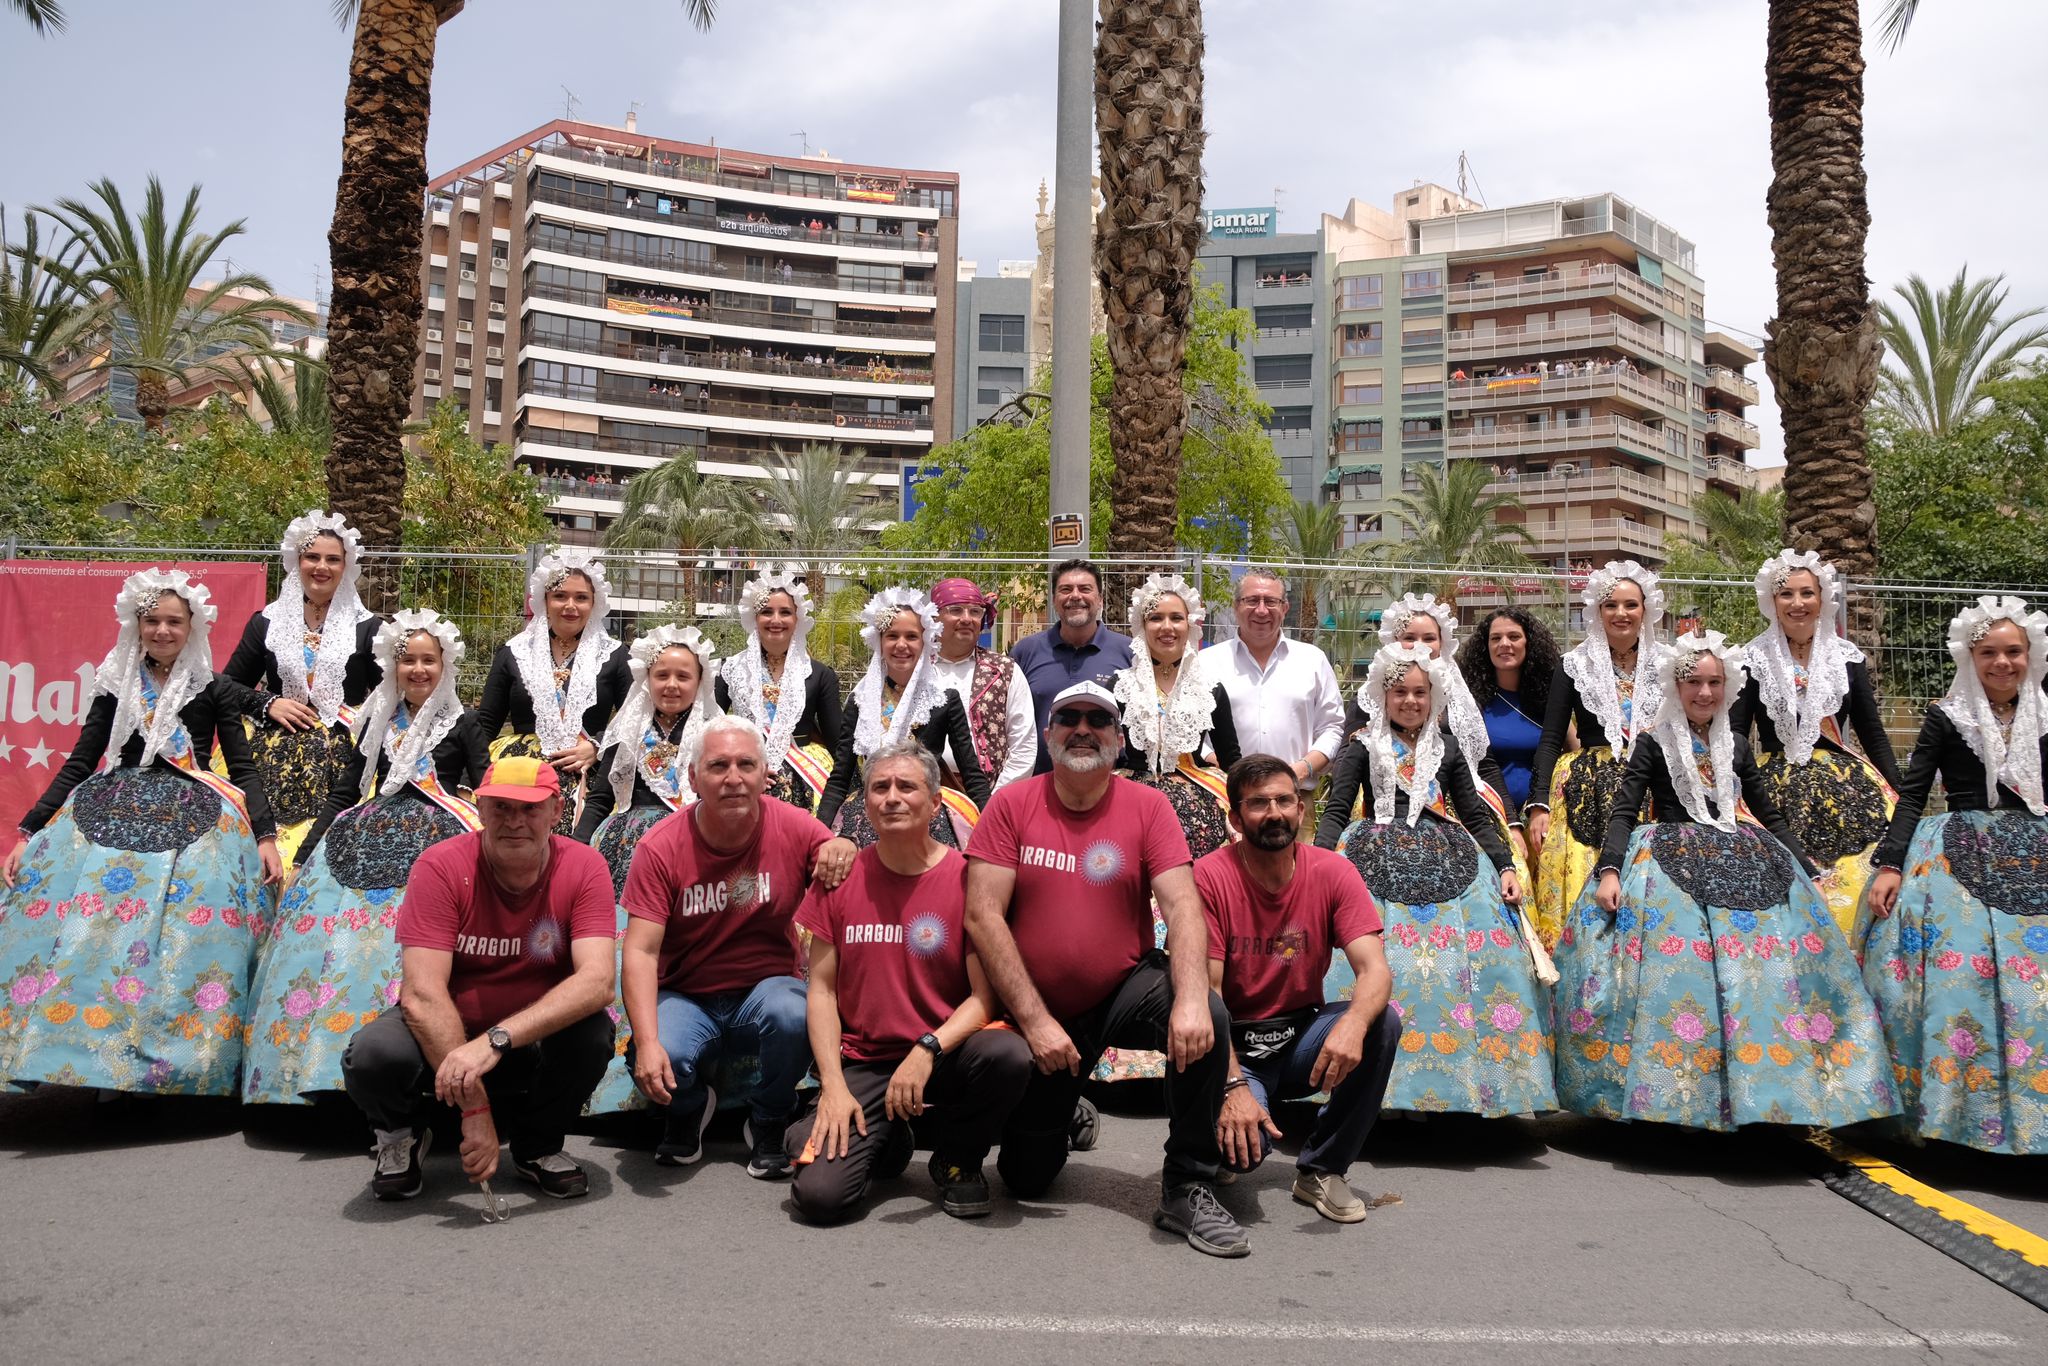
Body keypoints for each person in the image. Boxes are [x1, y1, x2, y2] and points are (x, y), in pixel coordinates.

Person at [1558, 632, 1895, 1130]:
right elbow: (1625, 812)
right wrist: (1609, 871)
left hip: (1741, 853)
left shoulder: (1736, 744)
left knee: (1762, 977)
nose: (1705, 693)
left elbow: (1767, 813)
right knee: (1680, 973)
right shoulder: (1652, 741)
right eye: (1694, 682)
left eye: (1715, 682)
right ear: (1676, 686)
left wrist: (1805, 868)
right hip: (1665, 859)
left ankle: (1771, 1086)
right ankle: (1676, 1093)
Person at [964, 681, 1243, 1258]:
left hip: (1124, 986)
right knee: (1025, 1179)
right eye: (1069, 718)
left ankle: (1186, 1184)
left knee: (1207, 1013)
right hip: (1041, 1007)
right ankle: (1069, 1110)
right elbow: (982, 915)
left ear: (1119, 740)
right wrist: (1035, 1022)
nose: (1083, 729)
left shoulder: (1148, 806)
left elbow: (1183, 905)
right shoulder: (1011, 803)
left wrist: (1190, 999)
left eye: (1099, 720)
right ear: (1049, 733)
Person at [1, 569, 281, 1095]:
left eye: (173, 621)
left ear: (192, 626)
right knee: (84, 923)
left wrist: (265, 837)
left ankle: (152, 1063)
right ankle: (71, 1051)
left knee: (183, 933)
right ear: (137, 623)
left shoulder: (214, 688)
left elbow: (241, 767)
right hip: (109, 803)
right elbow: (81, 761)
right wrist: (27, 832)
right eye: (152, 620)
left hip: (196, 812)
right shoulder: (115, 683)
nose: (162, 631)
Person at [340, 757, 616, 1200]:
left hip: (524, 1036)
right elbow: (422, 994)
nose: (514, 822)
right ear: (479, 808)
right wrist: (476, 1109)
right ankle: (399, 1136)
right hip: (448, 1027)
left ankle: (538, 1145)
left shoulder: (584, 867)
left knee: (593, 1032)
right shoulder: (440, 866)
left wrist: (495, 1040)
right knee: (374, 1054)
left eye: (529, 809)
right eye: (501, 808)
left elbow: (598, 981)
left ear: (556, 812)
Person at [243, 610, 486, 1105]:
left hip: (444, 840)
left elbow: (485, 785)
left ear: (446, 666)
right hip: (365, 831)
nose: (418, 670)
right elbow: (345, 790)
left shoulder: (465, 722)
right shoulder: (374, 719)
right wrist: (307, 854)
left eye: (428, 661)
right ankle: (323, 1064)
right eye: (407, 660)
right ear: (391, 666)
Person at [787, 743, 1033, 1222]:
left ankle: (958, 1159)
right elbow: (821, 991)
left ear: (936, 802)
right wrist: (833, 1086)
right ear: (864, 802)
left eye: (907, 787)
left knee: (1007, 1056)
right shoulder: (839, 879)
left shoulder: (967, 880)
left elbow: (985, 999)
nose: (892, 798)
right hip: (868, 1063)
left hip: (946, 1052)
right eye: (879, 788)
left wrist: (926, 1050)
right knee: (820, 1198)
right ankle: (886, 1134)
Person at [1315, 644, 1555, 1117]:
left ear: (1434, 696)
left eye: (1420, 693)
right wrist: (1314, 866)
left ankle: (1455, 1086)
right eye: (1400, 692)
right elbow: (1337, 810)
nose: (1410, 701)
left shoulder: (1447, 748)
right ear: (1382, 696)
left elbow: (1474, 814)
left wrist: (1505, 866)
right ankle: (1372, 1088)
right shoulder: (1361, 745)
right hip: (1371, 855)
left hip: (1450, 858)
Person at [619, 717, 858, 1176]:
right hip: (686, 993)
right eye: (718, 766)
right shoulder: (660, 847)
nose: (733, 778)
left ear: (764, 774)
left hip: (765, 989)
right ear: (693, 778)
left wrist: (843, 843)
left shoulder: (796, 827)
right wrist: (647, 1042)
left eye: (746, 764)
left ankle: (769, 1117)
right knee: (655, 1049)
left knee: (793, 1013)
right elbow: (642, 952)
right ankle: (689, 1107)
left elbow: (844, 870)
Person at [1863, 596, 2048, 1154]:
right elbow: (1914, 794)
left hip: (2038, 846)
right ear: (1970, 657)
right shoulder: (1948, 716)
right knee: (1961, 973)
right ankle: (1957, 1116)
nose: (2002, 663)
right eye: (1989, 652)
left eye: (2013, 652)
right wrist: (1891, 865)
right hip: (1958, 851)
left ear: (2030, 654)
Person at [1201, 755, 1398, 1224]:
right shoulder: (1209, 876)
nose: (1275, 813)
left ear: (1301, 808)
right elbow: (1204, 997)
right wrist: (1232, 1087)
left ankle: (1322, 1170)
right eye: (1258, 803)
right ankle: (1222, 1144)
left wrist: (1352, 1023)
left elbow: (1375, 971)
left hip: (1297, 1039)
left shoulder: (1333, 871)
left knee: (1381, 1022)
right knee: (1241, 1156)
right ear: (1235, 817)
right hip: (1231, 1046)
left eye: (1285, 800)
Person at [577, 626, 721, 1115]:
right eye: (662, 675)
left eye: (684, 675)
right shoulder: (627, 732)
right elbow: (599, 798)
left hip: (695, 851)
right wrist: (576, 851)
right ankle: (613, 1085)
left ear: (700, 681)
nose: (673, 685)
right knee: (626, 952)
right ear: (647, 679)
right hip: (627, 852)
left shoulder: (713, 735)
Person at [1728, 550, 1902, 938]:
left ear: (1822, 598)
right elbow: (1736, 732)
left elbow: (1871, 732)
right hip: (1774, 788)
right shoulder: (1751, 659)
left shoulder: (1846, 657)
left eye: (1807, 593)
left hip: (1848, 785)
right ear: (1772, 602)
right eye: (1786, 594)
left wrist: (1901, 792)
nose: (1797, 603)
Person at [1525, 560, 1677, 949]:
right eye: (1611, 605)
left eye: (1630, 605)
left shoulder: (1669, 665)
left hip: (1653, 786)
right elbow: (1550, 737)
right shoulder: (1574, 665)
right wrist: (1539, 804)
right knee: (1580, 885)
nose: (1620, 613)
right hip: (1584, 790)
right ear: (1597, 611)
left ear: (1647, 610)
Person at [221, 510, 381, 868]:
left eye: (332, 559)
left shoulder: (369, 628)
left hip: (343, 755)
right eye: (312, 557)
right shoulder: (266, 622)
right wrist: (268, 703)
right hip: (268, 751)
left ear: (346, 566)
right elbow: (225, 687)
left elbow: (389, 695)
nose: (321, 567)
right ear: (296, 561)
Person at [818, 588, 991, 848]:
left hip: (925, 814)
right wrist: (819, 831)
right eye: (892, 636)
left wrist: (993, 825)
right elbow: (840, 776)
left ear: (925, 642)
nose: (901, 645)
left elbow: (971, 770)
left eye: (911, 636)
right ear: (879, 642)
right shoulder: (859, 701)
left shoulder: (944, 699)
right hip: (865, 812)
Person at [475, 548, 630, 835]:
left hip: (587, 770)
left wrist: (596, 745)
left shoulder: (616, 655)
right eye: (560, 596)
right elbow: (486, 722)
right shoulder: (514, 652)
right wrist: (469, 782)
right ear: (545, 600)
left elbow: (633, 719)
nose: (570, 605)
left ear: (594, 603)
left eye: (581, 597)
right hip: (518, 766)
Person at [1110, 572, 1241, 858]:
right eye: (1156, 618)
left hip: (1198, 795)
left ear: (1190, 624)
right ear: (1142, 626)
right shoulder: (1119, 685)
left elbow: (1232, 759)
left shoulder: (1211, 690)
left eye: (1176, 618)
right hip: (1129, 796)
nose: (1166, 627)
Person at [1202, 568, 1346, 797]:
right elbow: (1189, 729)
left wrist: (1300, 770)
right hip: (1223, 795)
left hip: (1295, 798)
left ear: (1284, 608)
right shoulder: (1206, 663)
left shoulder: (1312, 660)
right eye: (1252, 600)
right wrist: (1219, 764)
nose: (1261, 610)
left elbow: (1332, 727)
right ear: (1236, 606)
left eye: (1270, 601)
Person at [715, 567, 843, 816]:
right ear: (754, 618)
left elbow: (836, 740)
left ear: (798, 619)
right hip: (742, 768)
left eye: (785, 612)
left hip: (805, 772)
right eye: (766, 612)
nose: (776, 620)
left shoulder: (819, 674)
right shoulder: (729, 669)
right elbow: (711, 727)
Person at [1010, 559, 1135, 774]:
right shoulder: (1026, 652)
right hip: (1038, 782)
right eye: (1065, 589)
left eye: (1085, 589)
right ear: (1054, 600)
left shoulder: (1130, 653)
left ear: (1100, 600)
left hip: (1110, 783)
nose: (1075, 596)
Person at [928, 577, 1036, 795]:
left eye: (975, 612)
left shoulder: (1004, 670)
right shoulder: (913, 668)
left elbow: (1024, 744)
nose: (967, 619)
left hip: (990, 793)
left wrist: (995, 801)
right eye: (956, 610)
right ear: (933, 618)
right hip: (918, 795)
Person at [1457, 606, 1562, 819]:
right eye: (1495, 638)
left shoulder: (1549, 699)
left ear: (1529, 643)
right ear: (1485, 646)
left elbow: (1574, 750)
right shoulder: (1470, 701)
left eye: (1514, 636)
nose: (1504, 644)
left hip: (1544, 819)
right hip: (1489, 818)